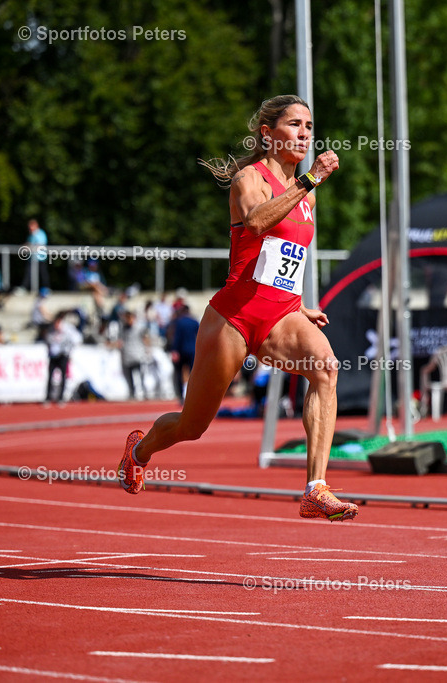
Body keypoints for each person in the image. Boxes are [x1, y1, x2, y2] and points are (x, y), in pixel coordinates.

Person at [116, 95, 356, 522]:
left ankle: (315, 487)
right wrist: (310, 180)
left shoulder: (307, 197)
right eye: (295, 125)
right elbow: (257, 223)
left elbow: (285, 261)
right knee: (193, 426)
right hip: (234, 318)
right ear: (268, 133)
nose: (304, 134)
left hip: (281, 315)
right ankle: (140, 449)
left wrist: (300, 307)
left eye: (309, 126)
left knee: (326, 367)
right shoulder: (251, 178)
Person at [43, 311, 82, 405]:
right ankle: (48, 397)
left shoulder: (68, 329)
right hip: (53, 356)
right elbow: (48, 340)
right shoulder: (51, 330)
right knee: (50, 377)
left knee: (63, 377)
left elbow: (77, 339)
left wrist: (67, 350)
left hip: (62, 355)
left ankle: (60, 398)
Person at [167, 303, 199, 402]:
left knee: (179, 374)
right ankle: (193, 395)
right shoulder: (194, 322)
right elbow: (199, 337)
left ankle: (181, 396)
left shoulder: (178, 322)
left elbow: (177, 338)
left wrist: (174, 350)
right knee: (193, 374)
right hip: (192, 350)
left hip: (181, 351)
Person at [118, 309, 149, 400]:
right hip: (128, 355)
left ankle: (144, 392)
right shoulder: (123, 329)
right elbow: (120, 341)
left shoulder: (139, 328)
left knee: (141, 375)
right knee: (129, 376)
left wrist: (146, 349)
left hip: (138, 354)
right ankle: (132, 392)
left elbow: (145, 338)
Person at [22, 219, 50, 292]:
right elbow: (28, 244)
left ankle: (46, 288)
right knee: (29, 273)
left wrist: (30, 247)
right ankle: (25, 287)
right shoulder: (31, 235)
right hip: (32, 258)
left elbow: (40, 245)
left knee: (43, 274)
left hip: (40, 258)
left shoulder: (41, 234)